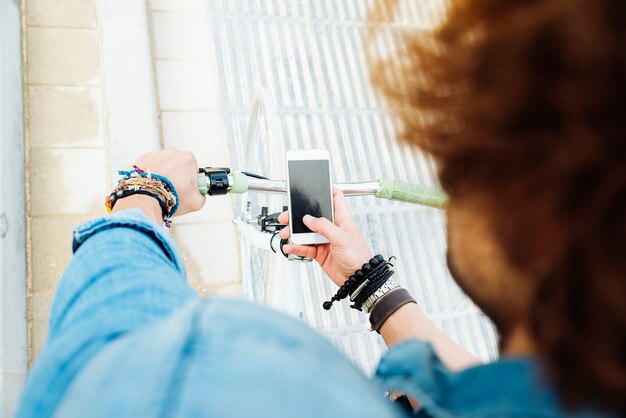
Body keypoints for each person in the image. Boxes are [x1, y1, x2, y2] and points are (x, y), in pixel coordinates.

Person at [16, 0, 625, 417]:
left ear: (546, 223)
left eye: (467, 160)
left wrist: (144, 197)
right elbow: (476, 395)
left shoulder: (263, 376)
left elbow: (110, 359)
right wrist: (370, 285)